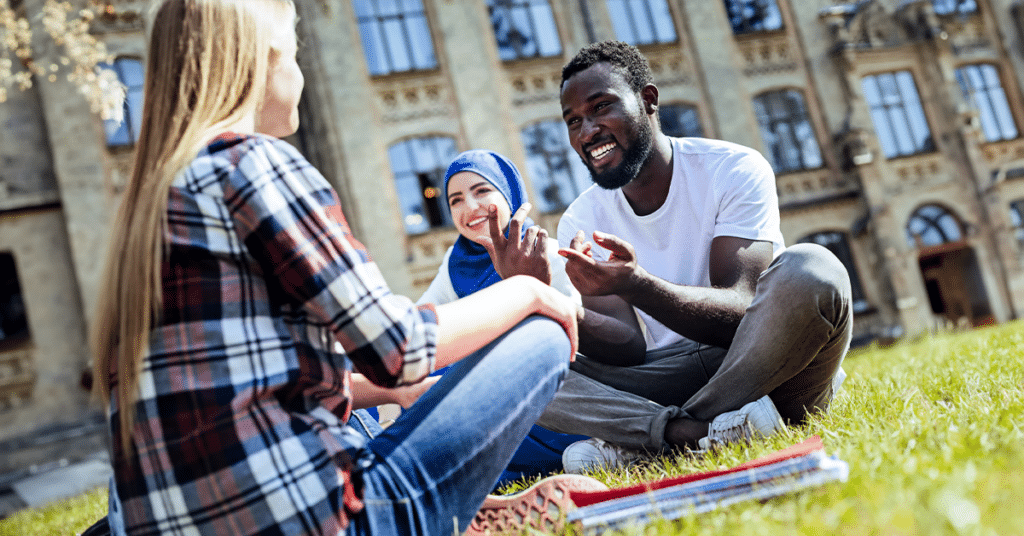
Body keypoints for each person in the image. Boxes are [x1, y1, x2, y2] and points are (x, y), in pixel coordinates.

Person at [88, 2, 607, 535]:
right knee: (542, 335)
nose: (300, 72)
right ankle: (440, 512)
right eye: (293, 53)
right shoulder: (254, 166)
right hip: (323, 522)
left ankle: (458, 509)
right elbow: (400, 350)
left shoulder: (143, 209)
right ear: (260, 62)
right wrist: (528, 292)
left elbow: (288, 374)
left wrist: (395, 394)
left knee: (352, 410)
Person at [524, 40, 853, 472]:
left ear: (648, 101)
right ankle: (699, 435)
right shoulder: (581, 217)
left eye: (601, 107)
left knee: (813, 269)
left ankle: (655, 439)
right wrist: (542, 299)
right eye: (573, 121)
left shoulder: (733, 169)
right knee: (523, 363)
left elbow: (742, 311)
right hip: (667, 377)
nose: (587, 132)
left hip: (766, 369)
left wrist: (636, 284)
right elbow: (627, 349)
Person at [414, 149, 588, 486]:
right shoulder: (457, 262)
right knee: (411, 373)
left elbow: (570, 345)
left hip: (550, 394)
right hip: (491, 396)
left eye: (482, 191)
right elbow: (425, 321)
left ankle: (576, 447)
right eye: (456, 200)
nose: (470, 208)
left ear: (509, 191)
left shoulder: (543, 250)